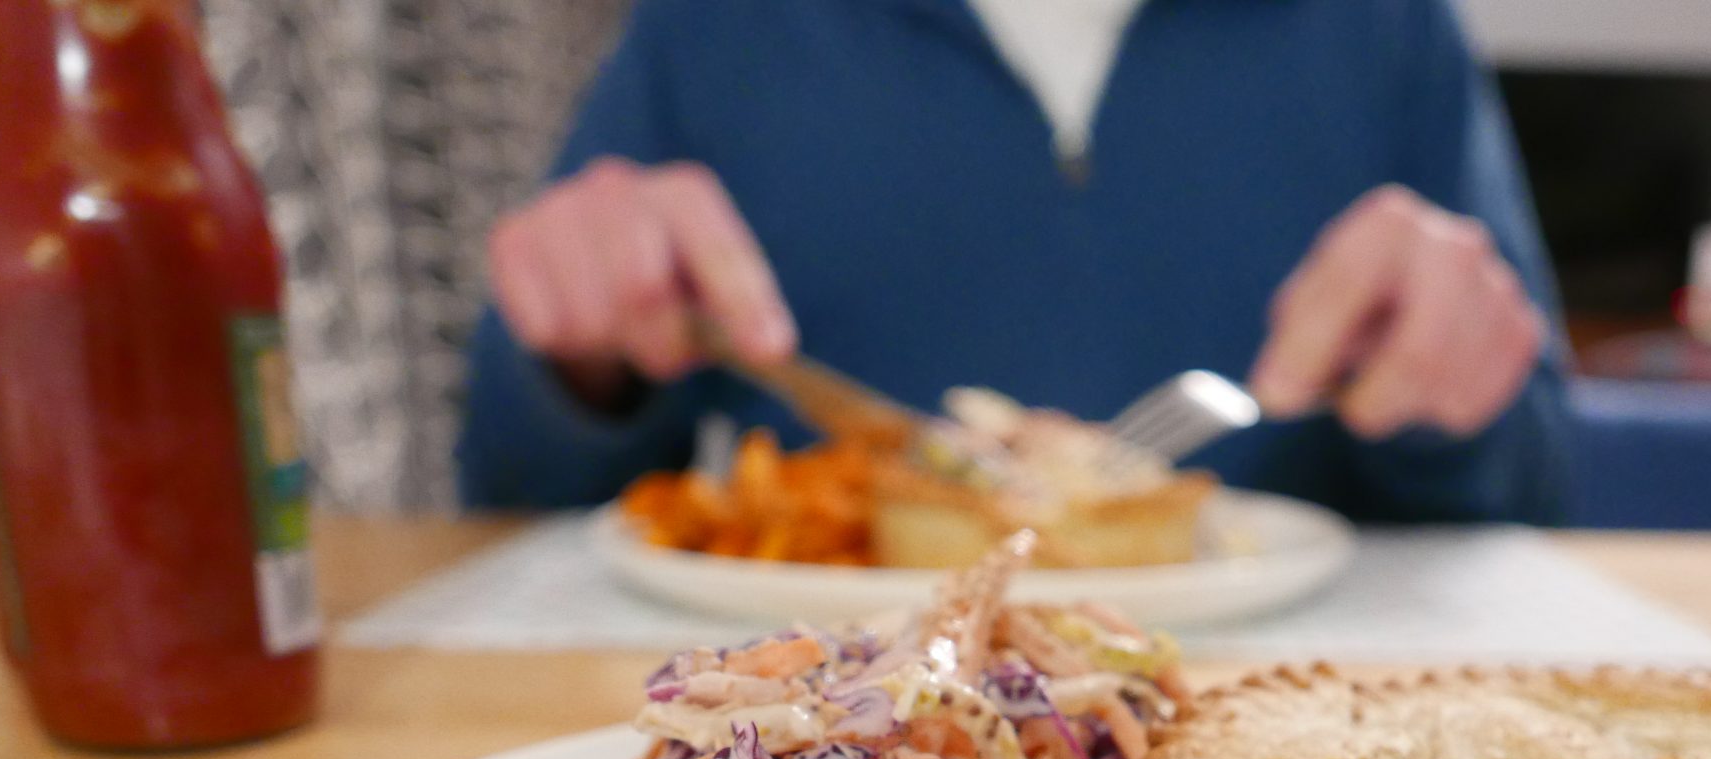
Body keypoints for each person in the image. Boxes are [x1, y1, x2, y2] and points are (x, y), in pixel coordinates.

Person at [457, 0, 1569, 524]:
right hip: (840, 708)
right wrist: (574, 370)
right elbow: (517, 494)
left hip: (1293, 705)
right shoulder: (713, 28)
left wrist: (1454, 403)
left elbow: (1540, 488)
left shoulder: (1384, 27)